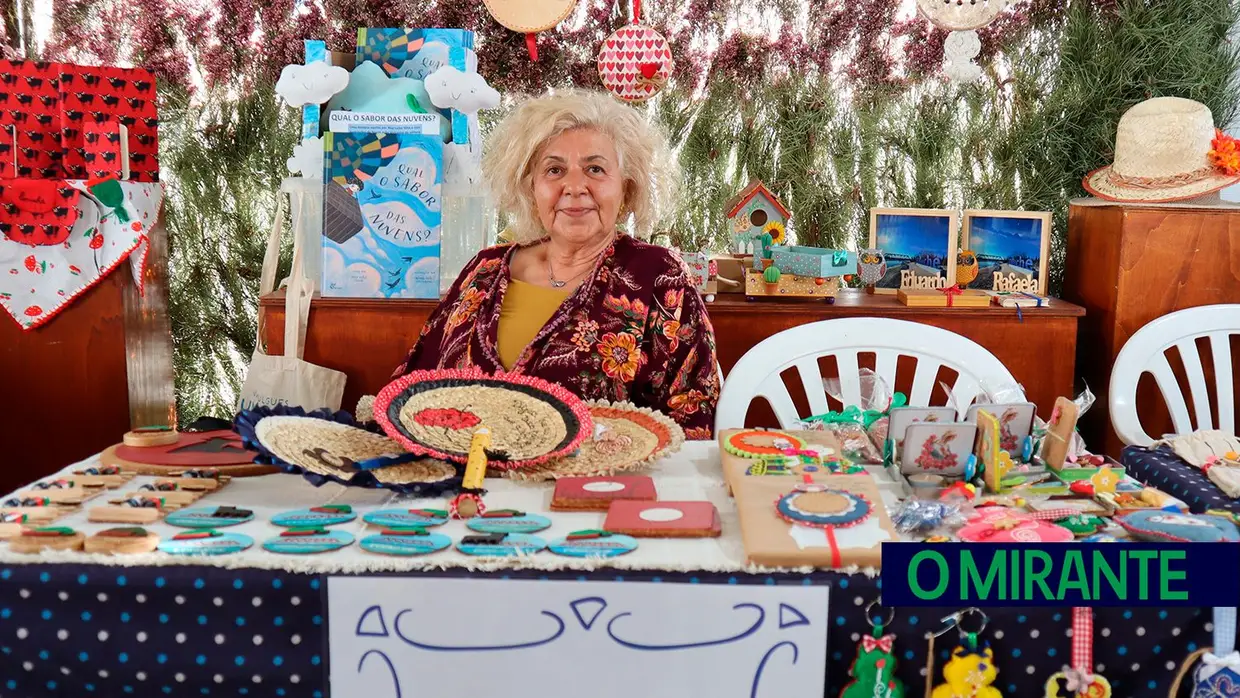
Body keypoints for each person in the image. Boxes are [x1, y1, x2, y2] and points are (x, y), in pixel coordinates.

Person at [392, 90, 719, 438]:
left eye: (595, 169)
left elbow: (692, 416)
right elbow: (411, 388)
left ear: (626, 187)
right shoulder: (483, 270)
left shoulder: (658, 276)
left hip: (592, 484)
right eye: (554, 170)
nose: (574, 186)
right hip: (463, 480)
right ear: (531, 188)